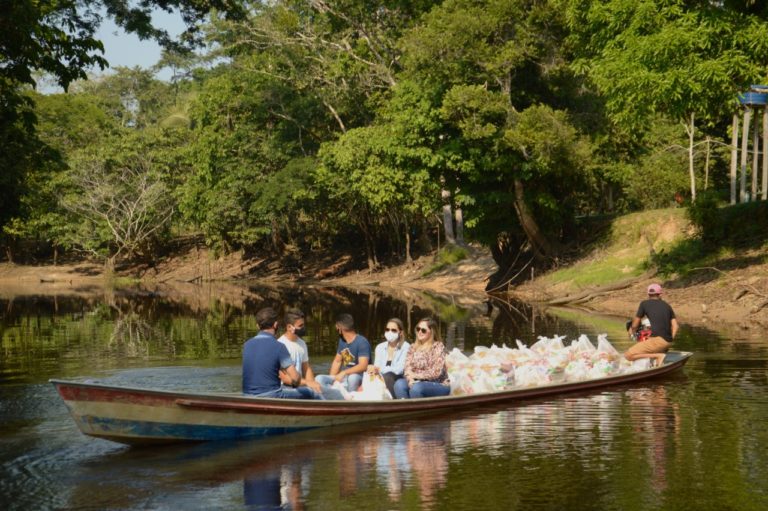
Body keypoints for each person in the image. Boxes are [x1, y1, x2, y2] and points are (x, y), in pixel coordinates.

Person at [242, 307, 319, 399]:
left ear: (257, 326)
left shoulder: (246, 345)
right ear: (275, 325)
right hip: (273, 394)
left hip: (247, 395)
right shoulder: (279, 346)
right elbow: (295, 378)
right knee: (311, 392)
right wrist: (303, 383)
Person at [394, 317, 450, 399]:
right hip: (416, 381)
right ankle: (406, 406)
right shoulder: (413, 347)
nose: (419, 332)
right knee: (399, 384)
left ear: (431, 332)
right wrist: (410, 379)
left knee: (416, 388)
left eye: (423, 330)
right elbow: (407, 367)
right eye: (418, 329)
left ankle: (418, 406)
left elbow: (436, 372)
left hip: (438, 383)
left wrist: (416, 376)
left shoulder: (438, 346)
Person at [625, 283, 679, 367]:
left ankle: (659, 356)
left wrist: (632, 332)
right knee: (647, 349)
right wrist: (669, 340)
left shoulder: (644, 304)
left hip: (657, 341)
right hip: (667, 341)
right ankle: (657, 358)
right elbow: (675, 326)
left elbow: (635, 325)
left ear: (648, 294)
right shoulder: (667, 306)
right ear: (660, 294)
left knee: (628, 355)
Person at [316, 313, 371, 392]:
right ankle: (331, 395)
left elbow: (363, 366)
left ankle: (351, 398)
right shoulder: (342, 341)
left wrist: (344, 372)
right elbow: (337, 361)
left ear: (339, 328)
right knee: (319, 378)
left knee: (353, 378)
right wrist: (332, 379)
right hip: (345, 377)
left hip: (359, 376)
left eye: (336, 326)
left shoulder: (362, 342)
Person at [277, 308, 323, 398]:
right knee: (315, 395)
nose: (303, 328)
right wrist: (307, 383)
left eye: (304, 325)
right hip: (285, 388)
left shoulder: (302, 344)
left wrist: (313, 385)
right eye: (300, 326)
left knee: (324, 391)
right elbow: (285, 378)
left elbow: (306, 368)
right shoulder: (280, 345)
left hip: (301, 386)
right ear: (289, 327)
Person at [368, 318, 410, 399]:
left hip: (399, 378)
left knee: (388, 376)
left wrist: (379, 369)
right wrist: (373, 369)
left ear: (400, 332)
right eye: (387, 329)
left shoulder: (406, 347)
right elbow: (376, 366)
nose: (389, 332)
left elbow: (400, 369)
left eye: (393, 330)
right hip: (381, 377)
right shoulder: (380, 347)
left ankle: (392, 403)